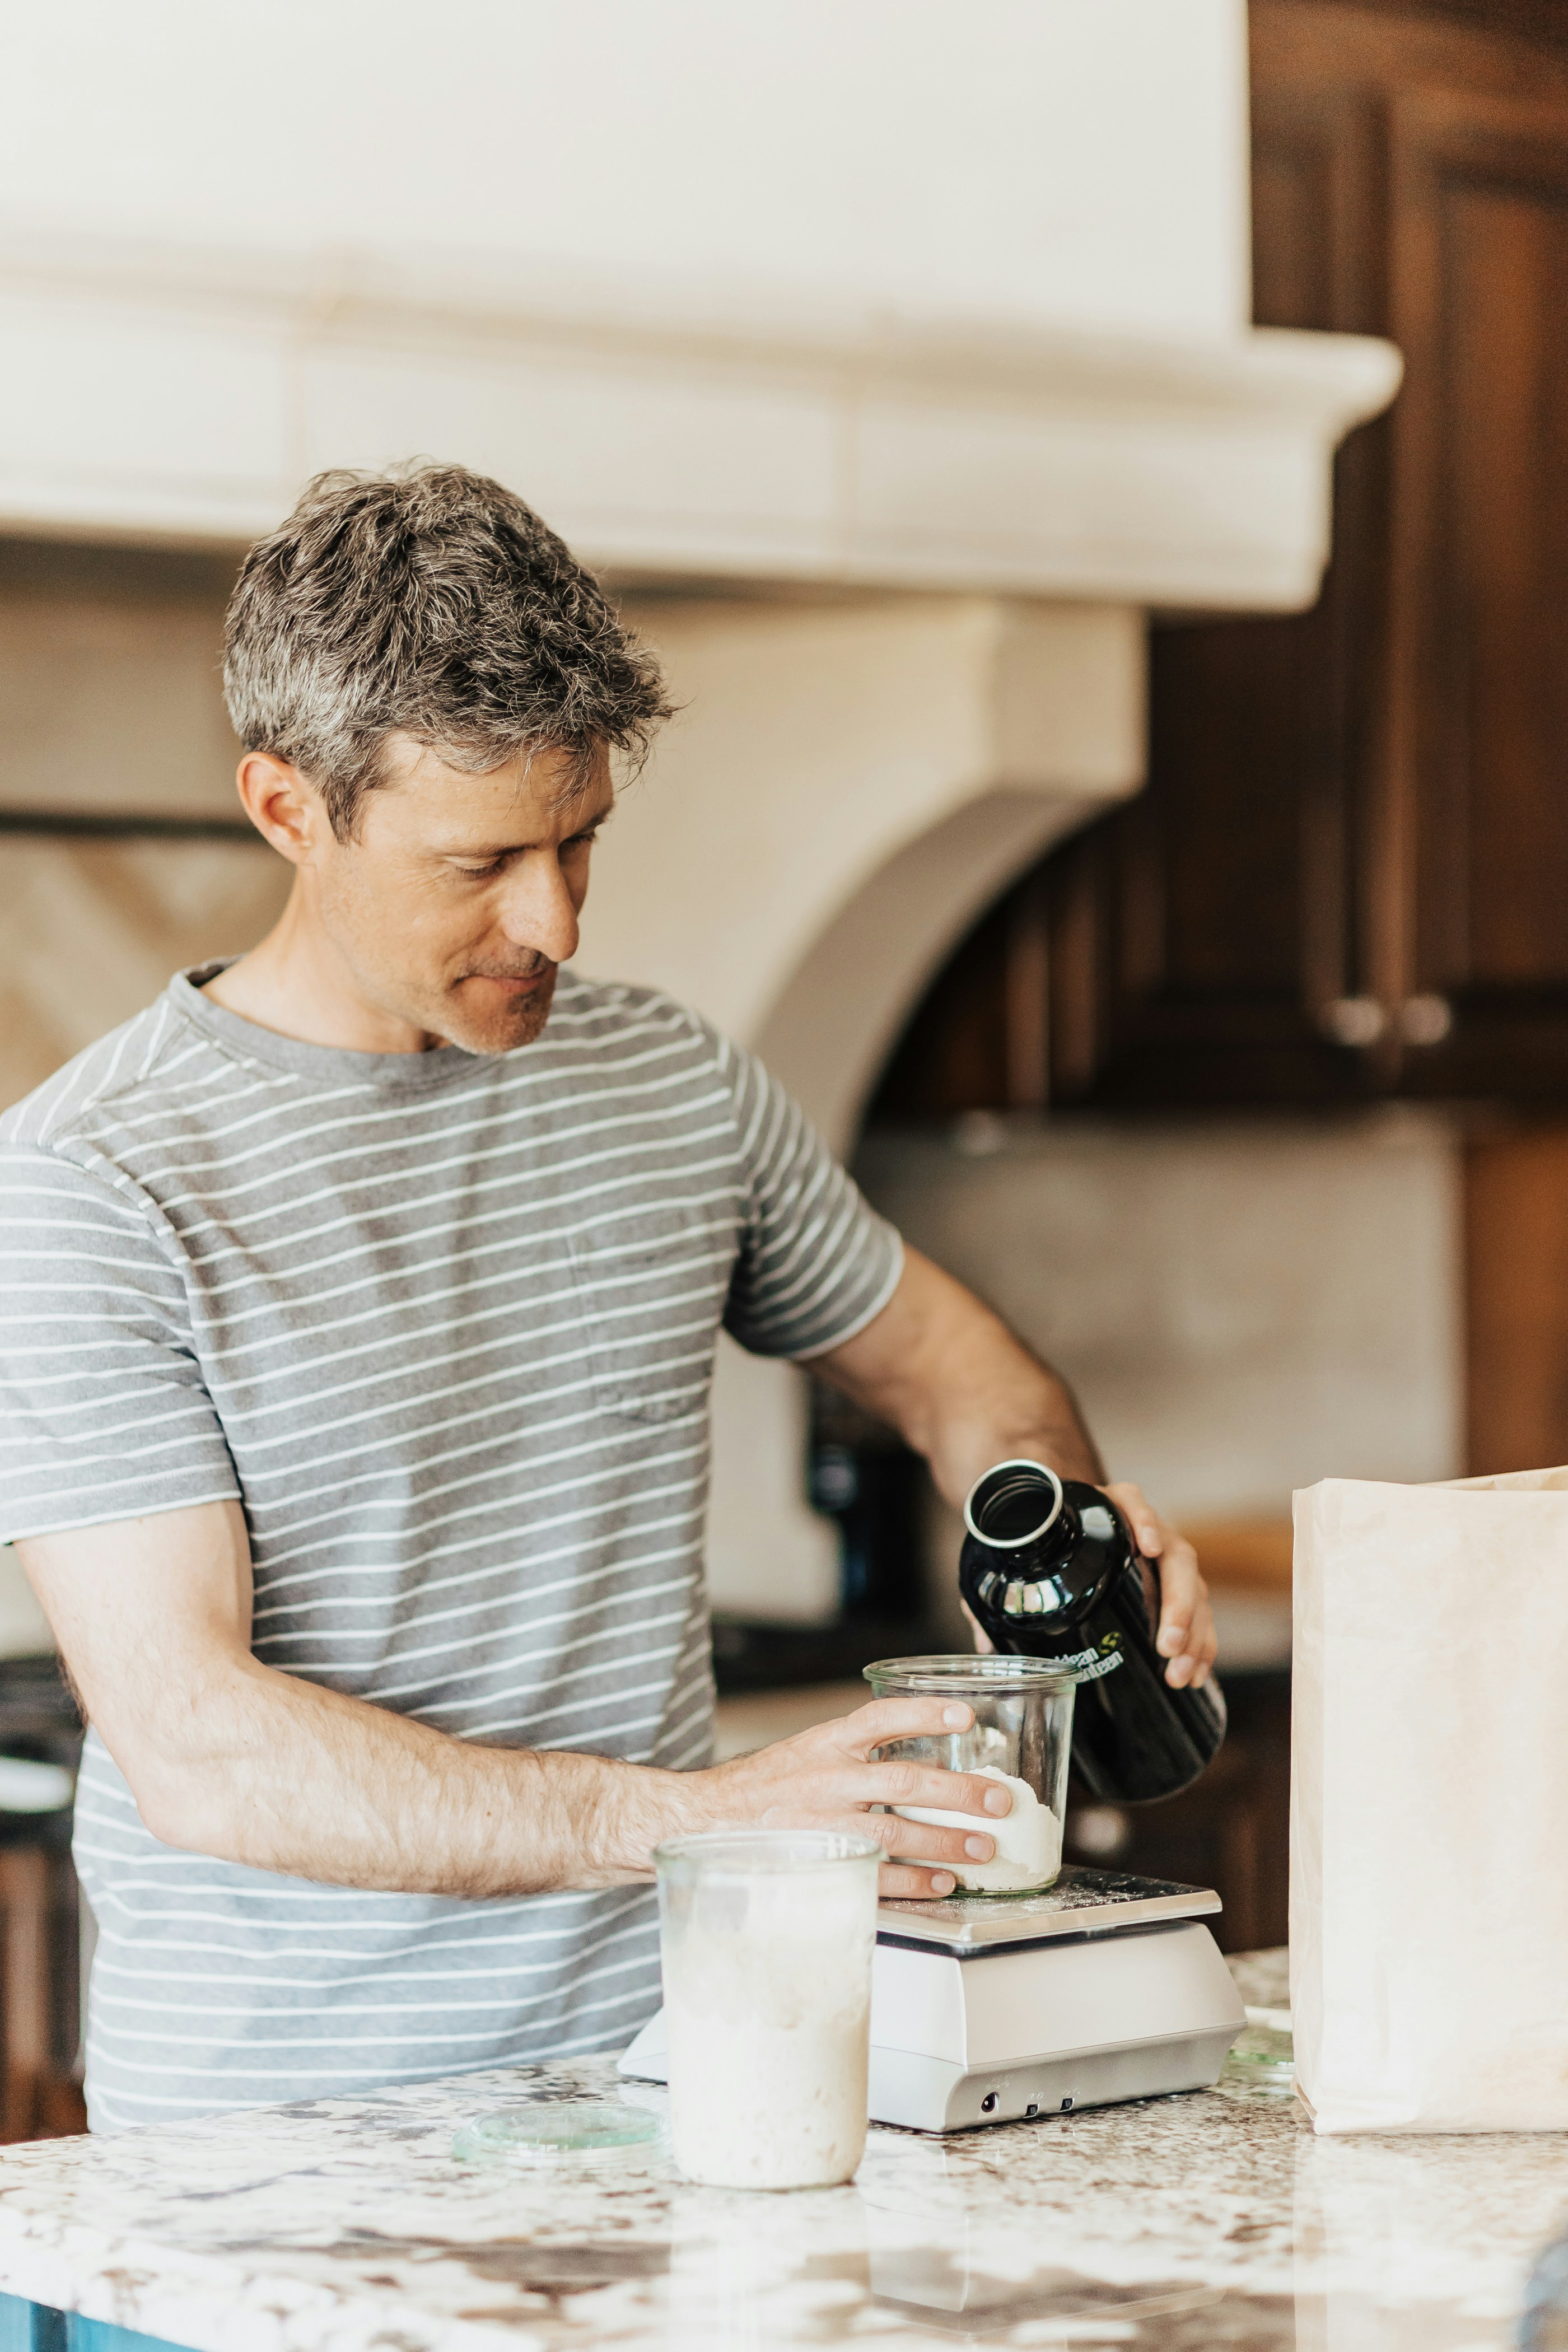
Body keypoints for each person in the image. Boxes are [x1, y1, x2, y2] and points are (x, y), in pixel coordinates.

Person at [0, 464, 1214, 2131]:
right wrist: (704, 1819)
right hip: (281, 2160)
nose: (554, 921)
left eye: (581, 841)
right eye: (482, 859)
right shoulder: (92, 1180)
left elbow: (952, 1372)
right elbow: (201, 1746)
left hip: (678, 2093)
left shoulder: (670, 1084)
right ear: (288, 809)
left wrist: (1067, 1546)